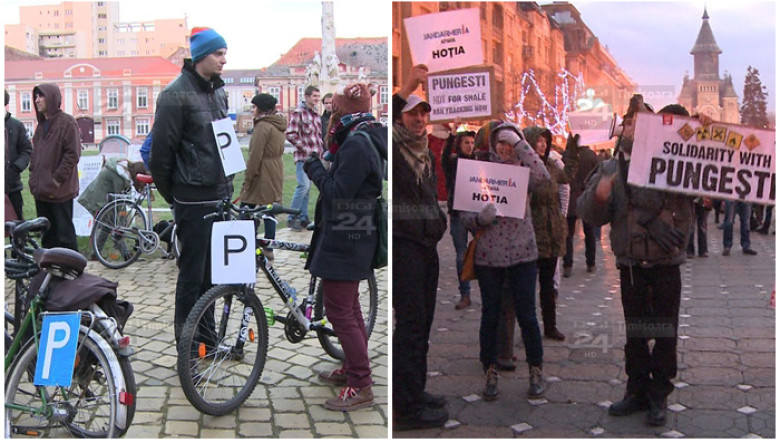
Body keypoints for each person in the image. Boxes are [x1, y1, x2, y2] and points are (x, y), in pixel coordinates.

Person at [577, 97, 694, 426]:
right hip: (630, 266)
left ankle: (659, 394)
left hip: (665, 264)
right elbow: (589, 213)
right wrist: (598, 198)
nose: (635, 128)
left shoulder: (671, 164)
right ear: (622, 128)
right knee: (636, 333)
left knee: (665, 333)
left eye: (643, 123)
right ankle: (637, 391)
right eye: (630, 122)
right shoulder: (610, 168)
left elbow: (689, 206)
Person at [304, 82, 385, 411]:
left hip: (348, 235)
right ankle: (354, 369)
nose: (328, 116)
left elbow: (338, 195)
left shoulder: (355, 144)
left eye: (333, 110)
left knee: (340, 312)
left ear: (345, 112)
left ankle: (361, 384)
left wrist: (313, 170)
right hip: (353, 232)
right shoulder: (361, 136)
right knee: (348, 307)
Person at [149, 27, 233, 342]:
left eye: (225, 53)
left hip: (220, 196)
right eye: (218, 53)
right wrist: (178, 195)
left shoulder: (218, 92)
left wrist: (229, 184)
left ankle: (208, 341)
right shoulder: (174, 95)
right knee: (191, 277)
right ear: (201, 56)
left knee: (214, 275)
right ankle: (187, 346)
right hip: (192, 200)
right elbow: (161, 157)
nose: (224, 59)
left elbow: (226, 144)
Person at [461, 121, 550, 402]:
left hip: (523, 253)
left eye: (509, 143)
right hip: (490, 255)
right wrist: (477, 219)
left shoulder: (524, 172)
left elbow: (544, 178)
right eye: (500, 142)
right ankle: (490, 369)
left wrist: (522, 145)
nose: (505, 148)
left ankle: (535, 370)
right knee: (490, 314)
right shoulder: (478, 169)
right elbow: (463, 210)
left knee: (527, 314)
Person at [392, 64, 449, 430]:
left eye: (424, 111)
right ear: (401, 116)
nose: (419, 118)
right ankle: (407, 407)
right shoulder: (393, 146)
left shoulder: (424, 149)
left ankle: (416, 389)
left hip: (426, 245)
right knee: (411, 325)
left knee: (423, 324)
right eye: (413, 112)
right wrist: (406, 87)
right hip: (405, 247)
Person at [524, 126, 578, 341]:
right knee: (527, 286)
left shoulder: (551, 165)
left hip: (551, 232)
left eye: (545, 141)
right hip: (530, 234)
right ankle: (528, 329)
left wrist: (572, 148)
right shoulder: (523, 167)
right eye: (538, 141)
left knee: (548, 285)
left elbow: (567, 176)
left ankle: (550, 325)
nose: (543, 144)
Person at [28, 83, 81, 251]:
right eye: (35, 97)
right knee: (48, 237)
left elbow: (72, 155)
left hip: (60, 192)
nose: (37, 100)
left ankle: (72, 272)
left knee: (64, 236)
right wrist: (33, 175)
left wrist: (56, 179)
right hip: (41, 191)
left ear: (51, 98)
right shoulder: (41, 126)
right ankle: (51, 274)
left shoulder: (67, 123)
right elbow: (36, 154)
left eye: (41, 96)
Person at [239, 93, 287, 260]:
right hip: (275, 169)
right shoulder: (278, 124)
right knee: (269, 209)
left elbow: (255, 155)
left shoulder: (263, 126)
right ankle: (269, 246)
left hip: (263, 171)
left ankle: (246, 243)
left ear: (260, 108)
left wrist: (248, 177)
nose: (252, 110)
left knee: (246, 208)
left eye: (254, 107)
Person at [440, 126, 476, 310]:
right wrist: (452, 134)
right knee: (461, 256)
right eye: (466, 143)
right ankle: (465, 294)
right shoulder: (454, 162)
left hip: (477, 212)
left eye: (472, 143)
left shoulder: (478, 161)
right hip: (458, 214)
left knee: (485, 251)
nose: (470, 146)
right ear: (459, 145)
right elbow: (444, 158)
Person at [285, 85, 323, 231]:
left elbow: (317, 136)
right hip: (304, 156)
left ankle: (303, 218)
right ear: (306, 97)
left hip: (315, 157)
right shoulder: (298, 112)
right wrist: (305, 149)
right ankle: (291, 217)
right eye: (314, 96)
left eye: (318, 97)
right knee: (303, 186)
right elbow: (290, 134)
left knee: (307, 189)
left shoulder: (315, 113)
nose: (317, 99)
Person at [563, 142, 600, 277]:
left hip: (571, 198)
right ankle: (591, 262)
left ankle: (567, 264)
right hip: (587, 197)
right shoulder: (591, 156)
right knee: (589, 232)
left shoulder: (567, 156)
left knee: (569, 234)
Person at [5, 89, 33, 220]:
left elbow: (27, 150)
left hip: (12, 186)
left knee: (16, 227)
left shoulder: (16, 125)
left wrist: (16, 168)